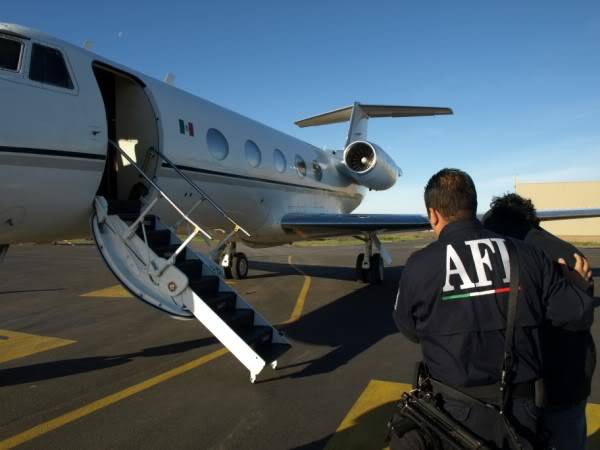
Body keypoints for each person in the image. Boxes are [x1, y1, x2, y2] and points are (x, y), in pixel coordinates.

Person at [393, 168, 594, 449]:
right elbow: (576, 315)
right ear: (473, 206)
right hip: (520, 411)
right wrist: (577, 286)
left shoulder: (419, 265)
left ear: (433, 214)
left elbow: (409, 329)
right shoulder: (528, 255)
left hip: (452, 412)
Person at [482, 193, 595, 450]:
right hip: (570, 380)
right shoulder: (571, 255)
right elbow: (580, 316)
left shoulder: (507, 258)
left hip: (526, 385)